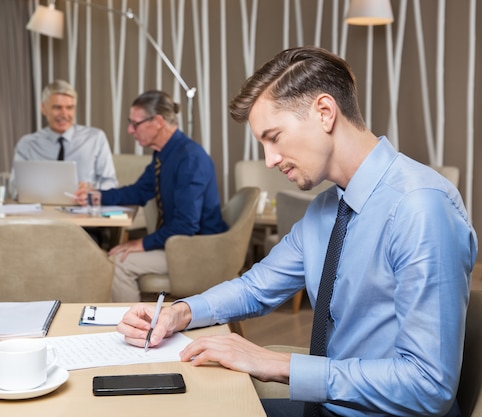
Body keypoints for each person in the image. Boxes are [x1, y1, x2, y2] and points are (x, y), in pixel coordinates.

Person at [116, 47, 477, 416]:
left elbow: (429, 384)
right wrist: (180, 313)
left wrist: (278, 365)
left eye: (274, 137)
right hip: (330, 406)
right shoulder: (327, 209)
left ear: (324, 112)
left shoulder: (420, 207)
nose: (269, 159)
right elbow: (256, 287)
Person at [78, 90, 228, 302]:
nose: (130, 130)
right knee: (115, 256)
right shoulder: (165, 154)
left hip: (198, 250)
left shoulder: (190, 158)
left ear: (157, 121)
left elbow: (186, 226)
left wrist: (142, 243)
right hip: (180, 243)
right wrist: (96, 196)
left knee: (117, 262)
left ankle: (133, 330)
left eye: (135, 123)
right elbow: (139, 191)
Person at [12, 80, 118, 193]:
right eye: (57, 108)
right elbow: (14, 189)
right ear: (43, 108)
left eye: (69, 108)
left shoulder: (95, 138)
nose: (64, 114)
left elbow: (111, 184)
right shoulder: (27, 144)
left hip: (83, 207)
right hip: (42, 208)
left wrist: (90, 188)